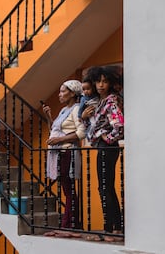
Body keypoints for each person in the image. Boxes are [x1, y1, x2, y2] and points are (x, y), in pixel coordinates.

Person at [81, 66, 124, 242]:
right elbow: (91, 128)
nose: (100, 85)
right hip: (102, 147)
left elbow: (120, 125)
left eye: (105, 81)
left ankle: (112, 228)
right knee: (105, 187)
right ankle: (114, 227)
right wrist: (84, 117)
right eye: (98, 81)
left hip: (108, 148)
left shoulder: (110, 101)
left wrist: (107, 138)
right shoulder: (99, 102)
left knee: (105, 187)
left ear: (111, 83)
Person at [42, 80, 86, 229]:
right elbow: (54, 130)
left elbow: (81, 132)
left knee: (69, 190)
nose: (59, 94)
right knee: (67, 190)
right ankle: (71, 223)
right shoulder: (63, 110)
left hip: (68, 152)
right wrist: (49, 116)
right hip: (59, 153)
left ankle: (69, 225)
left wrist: (59, 139)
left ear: (73, 93)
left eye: (63, 91)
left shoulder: (76, 109)